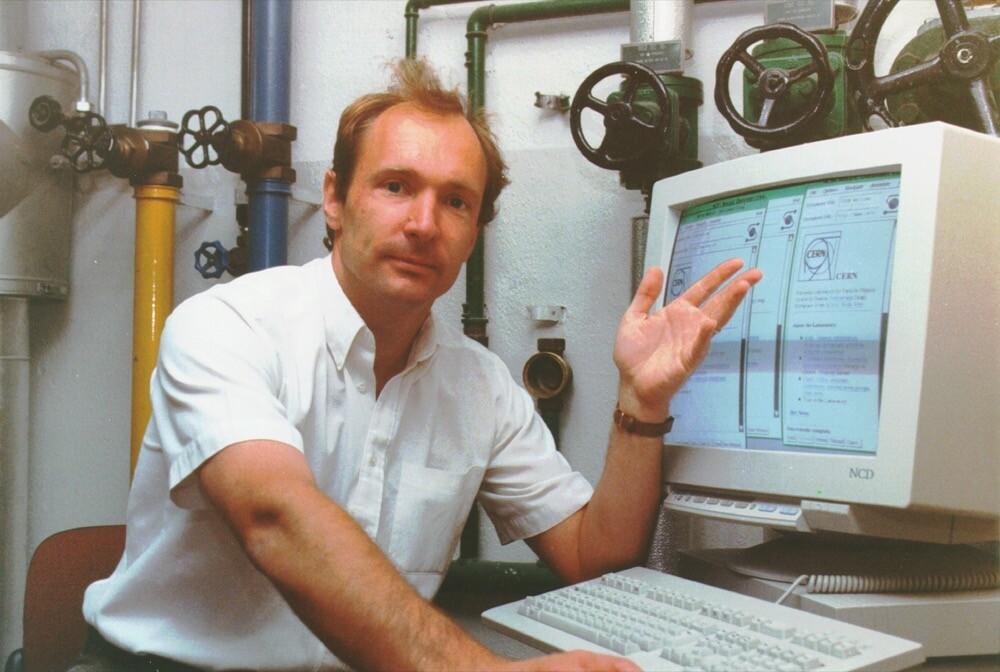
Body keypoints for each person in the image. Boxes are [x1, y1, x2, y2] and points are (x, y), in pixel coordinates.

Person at [74, 59, 761, 672]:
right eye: (396, 186)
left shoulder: (479, 386)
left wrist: (640, 402)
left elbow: (593, 554)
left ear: (474, 229)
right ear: (338, 200)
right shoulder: (227, 326)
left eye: (455, 200)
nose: (424, 223)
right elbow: (275, 517)